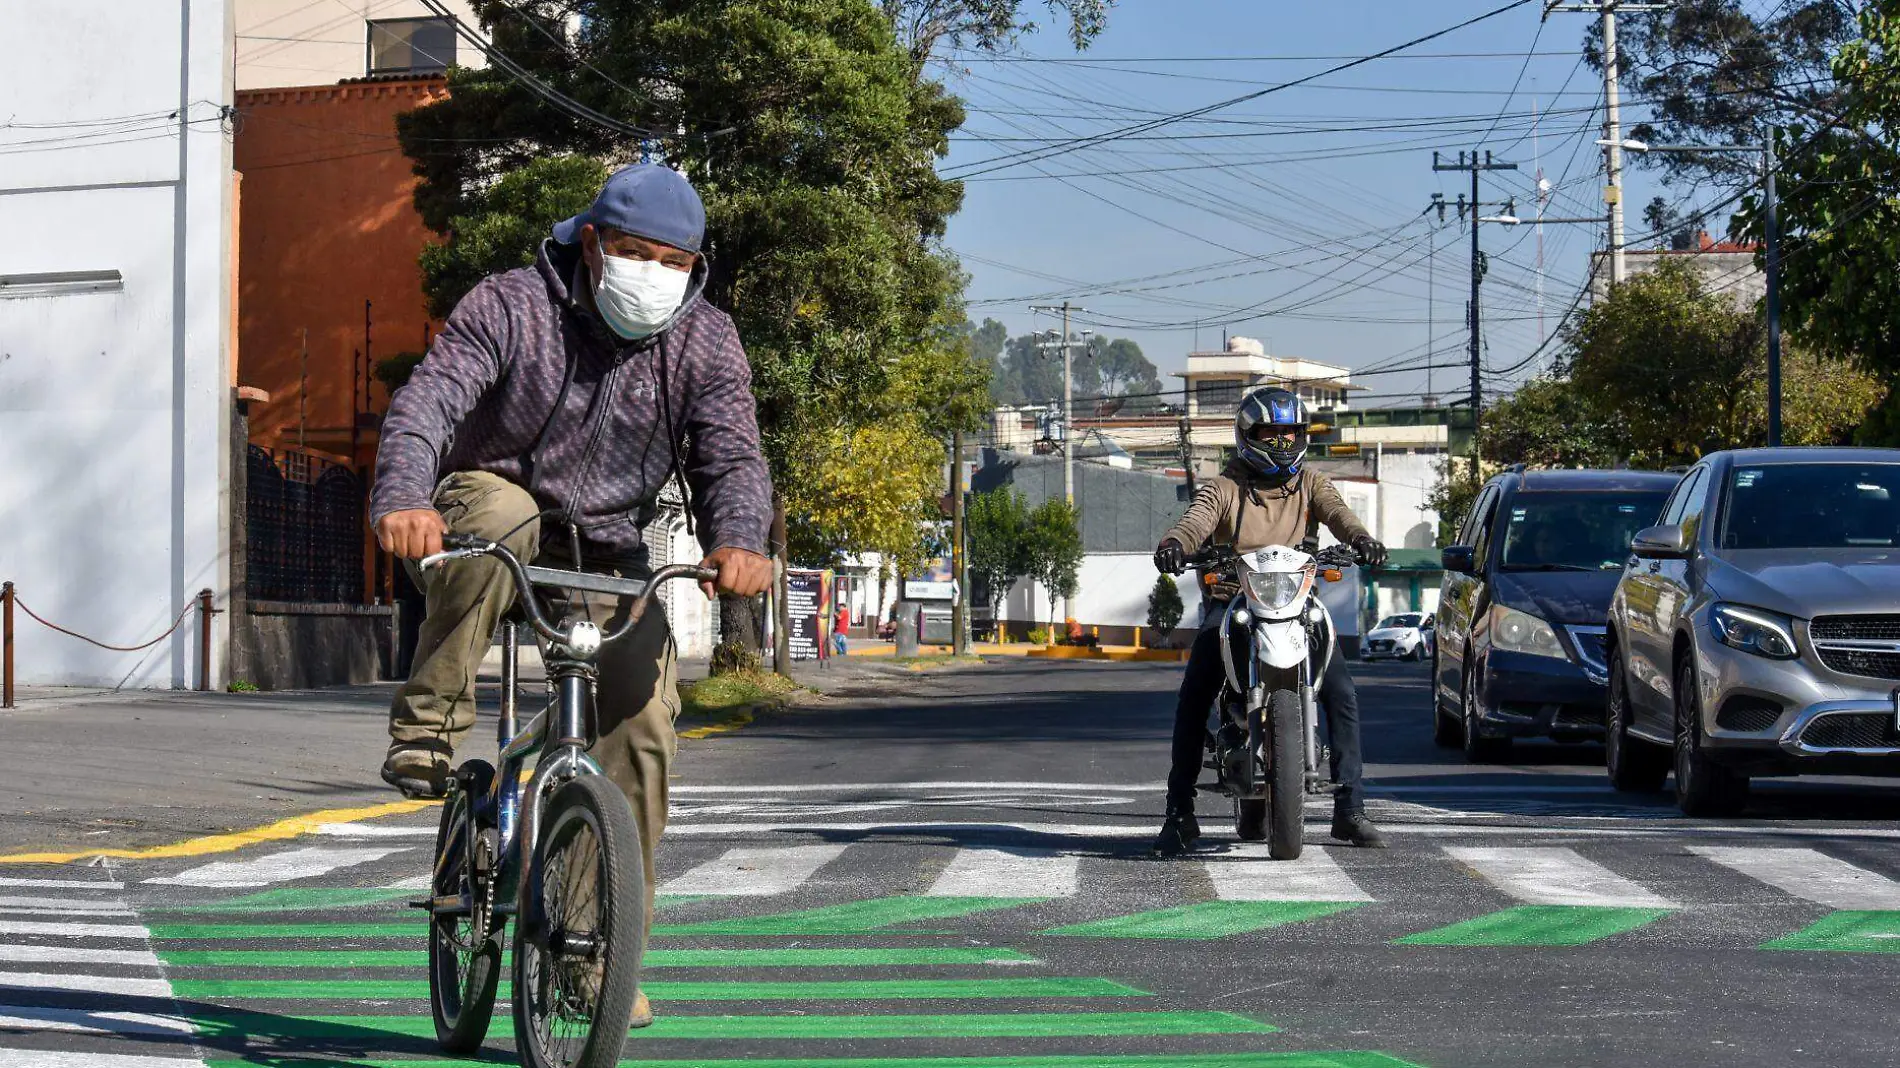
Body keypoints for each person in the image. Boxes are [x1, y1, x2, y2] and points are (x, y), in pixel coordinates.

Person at [369, 163, 773, 1024]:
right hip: (481, 517)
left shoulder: (704, 342)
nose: (654, 277)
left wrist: (740, 540)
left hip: (604, 550)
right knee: (507, 514)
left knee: (644, 718)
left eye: (675, 262)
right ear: (592, 244)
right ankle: (429, 728)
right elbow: (427, 403)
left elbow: (731, 455)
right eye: (635, 254)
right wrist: (403, 496)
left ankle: (594, 952)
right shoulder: (511, 305)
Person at [1150, 387, 1388, 855]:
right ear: (1248, 436)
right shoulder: (1225, 486)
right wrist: (1176, 543)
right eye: (1270, 432)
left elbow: (1340, 515)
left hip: (1297, 603)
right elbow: (1196, 521)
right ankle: (1179, 813)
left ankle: (1350, 808)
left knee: (1341, 690)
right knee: (1196, 690)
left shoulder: (1312, 484)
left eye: (1290, 432)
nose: (1281, 442)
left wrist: (1361, 538)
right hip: (1233, 599)